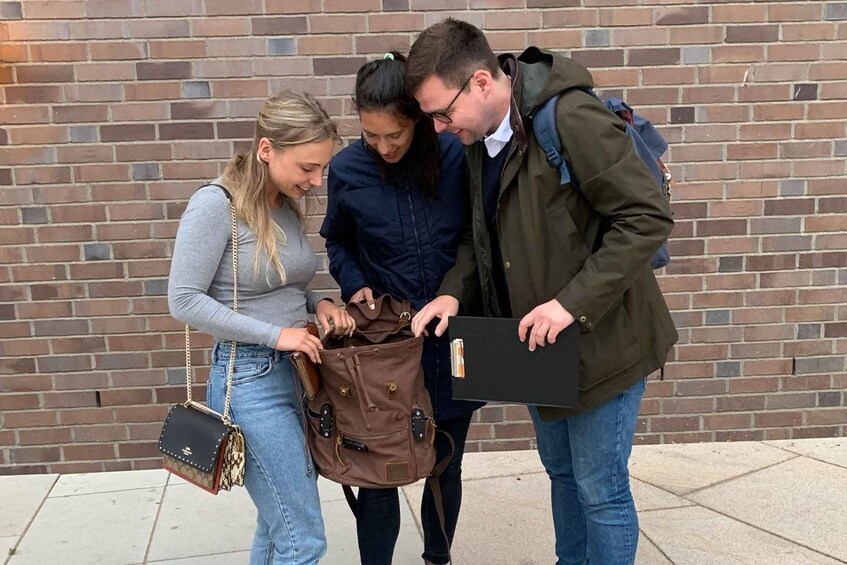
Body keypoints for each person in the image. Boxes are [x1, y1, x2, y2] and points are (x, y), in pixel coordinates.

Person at [406, 20, 679, 565]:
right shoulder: (480, 139)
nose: (438, 128)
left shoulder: (569, 118)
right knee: (562, 474)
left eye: (442, 112)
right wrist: (454, 293)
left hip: (606, 346)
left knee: (600, 491)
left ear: (481, 82)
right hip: (539, 350)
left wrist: (569, 304)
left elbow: (646, 218)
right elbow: (479, 235)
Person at [167, 90, 356, 565]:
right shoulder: (216, 205)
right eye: (307, 167)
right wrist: (277, 335)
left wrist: (320, 302)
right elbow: (183, 300)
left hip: (294, 375)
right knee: (302, 540)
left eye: (322, 168)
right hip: (248, 381)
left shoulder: (283, 203)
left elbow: (279, 287)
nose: (316, 180)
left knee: (278, 528)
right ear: (267, 149)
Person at [319, 52, 483, 565]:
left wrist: (454, 290)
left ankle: (438, 558)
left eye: (395, 134)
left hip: (454, 336)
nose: (384, 146)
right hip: (385, 346)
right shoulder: (348, 169)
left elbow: (474, 236)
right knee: (377, 473)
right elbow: (338, 242)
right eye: (371, 136)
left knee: (445, 462)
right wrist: (355, 285)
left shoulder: (454, 154)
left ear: (418, 118)